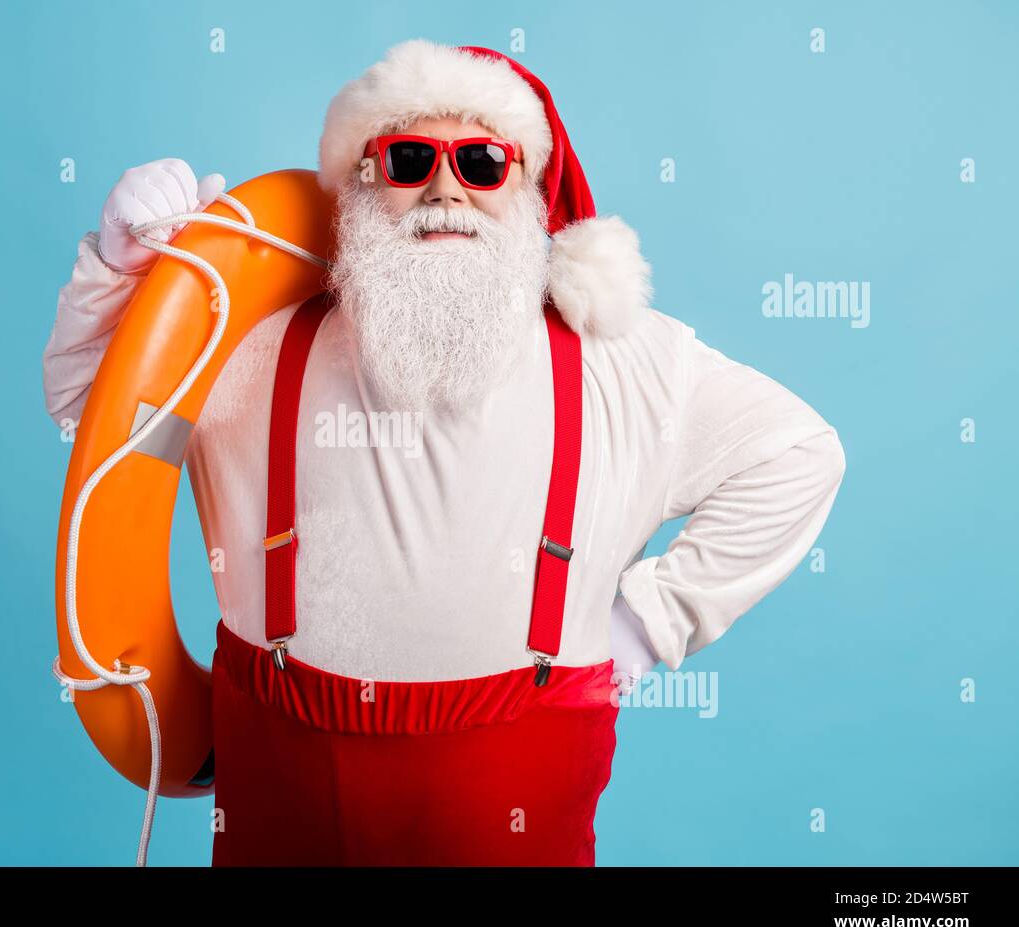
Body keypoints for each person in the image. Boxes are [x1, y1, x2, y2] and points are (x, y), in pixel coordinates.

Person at [41, 40, 846, 866]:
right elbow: (99, 432)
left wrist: (647, 625)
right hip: (278, 810)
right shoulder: (247, 345)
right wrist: (117, 274)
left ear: (530, 190)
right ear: (359, 186)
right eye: (408, 158)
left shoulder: (628, 362)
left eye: (484, 162)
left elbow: (797, 453)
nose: (444, 188)